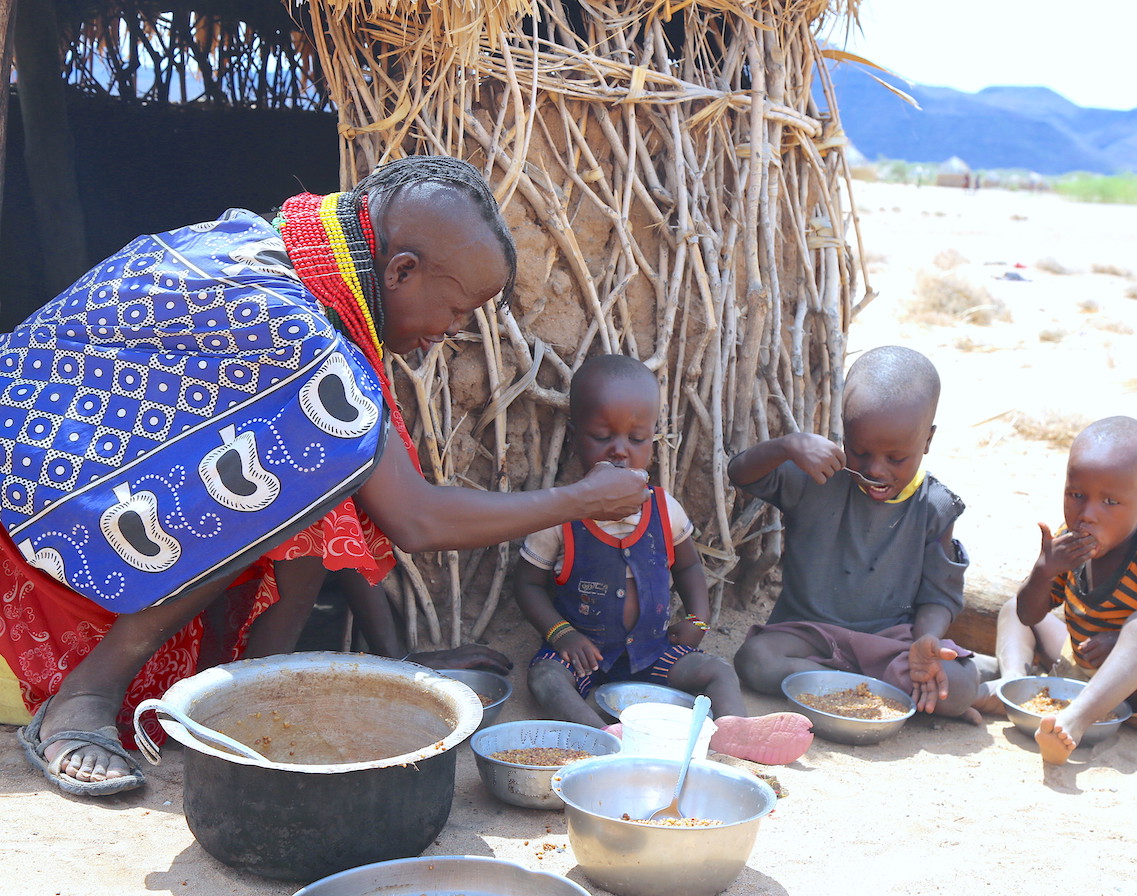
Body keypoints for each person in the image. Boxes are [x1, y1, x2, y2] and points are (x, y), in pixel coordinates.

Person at [1, 156, 650, 796]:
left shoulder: (280, 248)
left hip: (46, 496)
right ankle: (87, 693)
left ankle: (253, 688)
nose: (449, 334)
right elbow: (415, 519)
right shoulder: (295, 330)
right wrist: (579, 498)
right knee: (304, 453)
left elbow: (343, 493)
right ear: (400, 272)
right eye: (455, 311)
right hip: (22, 540)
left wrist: (394, 663)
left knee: (320, 465)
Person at [514, 355, 813, 765]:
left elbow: (689, 566)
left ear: (653, 440)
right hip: (580, 655)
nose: (620, 451)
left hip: (653, 653)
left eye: (637, 439)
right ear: (575, 435)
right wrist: (562, 634)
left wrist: (699, 619)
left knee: (717, 671)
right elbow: (527, 584)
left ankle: (732, 730)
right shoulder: (558, 515)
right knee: (546, 678)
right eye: (602, 436)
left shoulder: (664, 509)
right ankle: (602, 738)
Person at [729, 346, 980, 720]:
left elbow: (939, 596)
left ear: (927, 441)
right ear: (845, 432)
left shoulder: (935, 507)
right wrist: (787, 446)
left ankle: (827, 687)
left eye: (896, 459)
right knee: (755, 659)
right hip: (806, 635)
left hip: (890, 644)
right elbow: (740, 474)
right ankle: (869, 692)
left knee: (958, 684)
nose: (876, 470)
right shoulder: (818, 478)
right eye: (860, 452)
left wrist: (926, 639)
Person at [983, 416, 1137, 764]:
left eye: (1110, 502)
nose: (1087, 515)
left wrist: (1123, 642)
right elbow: (1029, 615)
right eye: (1076, 495)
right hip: (1090, 671)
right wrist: (1044, 572)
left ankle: (1072, 723)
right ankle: (1013, 687)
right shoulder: (1068, 545)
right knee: (1015, 605)